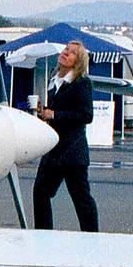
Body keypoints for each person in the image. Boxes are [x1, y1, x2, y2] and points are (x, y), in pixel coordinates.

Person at [32, 39, 99, 232]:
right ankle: (43, 234)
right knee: (40, 193)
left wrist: (54, 114)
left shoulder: (82, 83)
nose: (66, 53)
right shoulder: (54, 80)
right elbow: (57, 112)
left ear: (78, 61)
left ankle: (92, 237)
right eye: (65, 49)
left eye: (71, 53)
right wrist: (44, 112)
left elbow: (86, 115)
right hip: (53, 150)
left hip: (72, 153)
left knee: (81, 198)